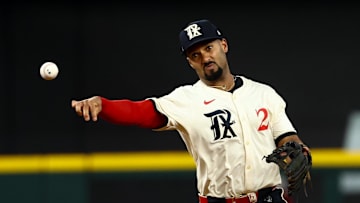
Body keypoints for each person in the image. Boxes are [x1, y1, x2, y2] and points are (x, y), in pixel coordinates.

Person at [71, 19, 310, 203]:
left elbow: (286, 136)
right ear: (190, 62)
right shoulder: (186, 99)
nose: (205, 57)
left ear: (223, 45)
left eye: (209, 48)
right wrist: (103, 104)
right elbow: (142, 112)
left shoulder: (263, 93)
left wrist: (297, 147)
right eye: (196, 55)